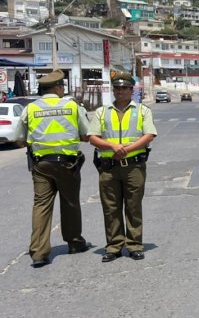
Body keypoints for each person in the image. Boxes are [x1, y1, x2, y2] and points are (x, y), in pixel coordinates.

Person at [14, 69, 92, 268]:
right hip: (68, 163)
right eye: (62, 87)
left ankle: (39, 253)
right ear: (57, 87)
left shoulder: (30, 109)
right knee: (70, 202)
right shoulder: (72, 106)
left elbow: (20, 140)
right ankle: (74, 242)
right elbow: (86, 135)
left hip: (42, 164)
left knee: (41, 205)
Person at [87, 72, 156, 262]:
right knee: (111, 208)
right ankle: (114, 246)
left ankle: (134, 245)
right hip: (108, 168)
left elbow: (149, 135)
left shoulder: (142, 110)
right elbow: (92, 137)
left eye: (124, 88)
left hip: (133, 167)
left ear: (131, 90)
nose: (120, 91)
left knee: (133, 206)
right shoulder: (102, 111)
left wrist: (126, 149)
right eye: (117, 88)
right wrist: (111, 147)